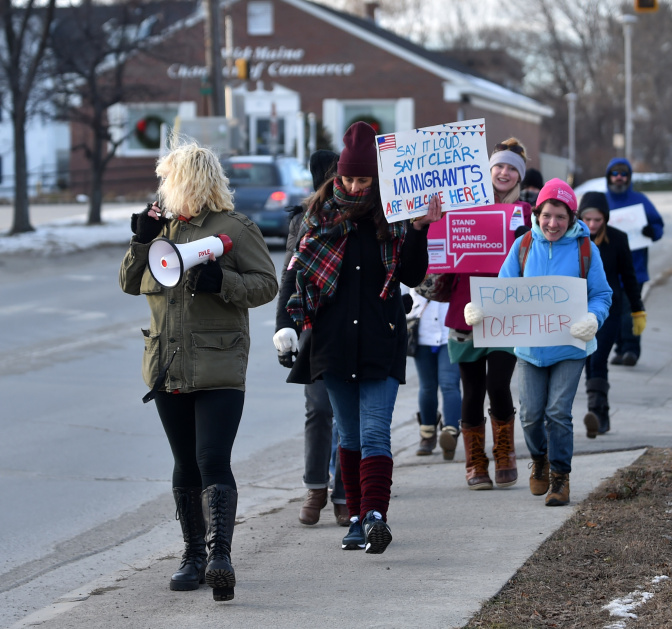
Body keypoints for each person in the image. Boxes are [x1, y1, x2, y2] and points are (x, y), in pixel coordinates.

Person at [119, 143, 278, 601]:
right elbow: (130, 284)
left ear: (187, 180)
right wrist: (141, 240)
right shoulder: (161, 229)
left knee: (212, 458)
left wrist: (222, 283)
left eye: (168, 179)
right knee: (185, 463)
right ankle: (192, 555)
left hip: (219, 362)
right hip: (167, 364)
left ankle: (219, 556)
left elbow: (266, 284)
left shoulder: (235, 228)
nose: (163, 188)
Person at [285, 121, 440, 555]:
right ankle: (354, 518)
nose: (354, 186)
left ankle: (375, 516)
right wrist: (289, 325)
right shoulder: (318, 217)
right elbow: (297, 275)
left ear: (378, 178)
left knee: (375, 434)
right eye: (348, 177)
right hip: (333, 344)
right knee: (347, 438)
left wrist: (419, 229)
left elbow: (411, 274)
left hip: (380, 337)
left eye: (363, 178)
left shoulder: (395, 214)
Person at [467, 179, 612, 506]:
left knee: (558, 412)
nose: (553, 223)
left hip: (570, 346)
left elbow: (602, 294)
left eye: (561, 217)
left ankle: (560, 477)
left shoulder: (585, 249)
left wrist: (593, 318)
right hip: (531, 348)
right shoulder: (523, 245)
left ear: (571, 217)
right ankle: (540, 459)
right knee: (532, 414)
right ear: (538, 213)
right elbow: (504, 292)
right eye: (547, 215)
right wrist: (481, 311)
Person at [443, 138, 532, 490]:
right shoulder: (463, 207)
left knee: (499, 384)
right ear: (488, 169)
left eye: (512, 168)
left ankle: (505, 451)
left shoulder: (527, 213)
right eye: (500, 166)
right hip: (467, 310)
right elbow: (443, 253)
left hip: (507, 311)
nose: (505, 172)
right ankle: (475, 462)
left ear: (520, 176)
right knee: (472, 390)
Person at [273, 149, 349, 528]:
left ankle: (343, 493)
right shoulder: (305, 219)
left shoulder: (365, 213)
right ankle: (316, 487)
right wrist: (283, 325)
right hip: (315, 326)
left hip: (356, 325)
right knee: (319, 408)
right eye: (334, 175)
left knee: (349, 415)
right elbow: (291, 274)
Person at [577, 191, 644, 438]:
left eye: (597, 220)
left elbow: (629, 276)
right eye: (588, 219)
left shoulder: (617, 239)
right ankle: (601, 413)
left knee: (598, 358)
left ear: (605, 218)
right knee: (586, 360)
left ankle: (595, 412)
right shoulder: (574, 240)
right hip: (577, 310)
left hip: (608, 311)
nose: (593, 225)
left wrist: (637, 309)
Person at [604, 157, 663, 366]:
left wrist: (651, 231)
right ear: (609, 177)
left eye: (624, 174)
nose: (619, 178)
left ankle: (631, 350)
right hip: (608, 268)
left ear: (629, 178)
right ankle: (620, 349)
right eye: (615, 174)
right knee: (614, 312)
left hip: (635, 267)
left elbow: (658, 225)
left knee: (631, 311)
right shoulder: (603, 201)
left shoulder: (640, 200)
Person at [408, 288, 461, 459]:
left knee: (449, 383)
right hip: (423, 332)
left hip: (450, 332)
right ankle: (427, 434)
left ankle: (450, 433)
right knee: (427, 387)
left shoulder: (453, 261)